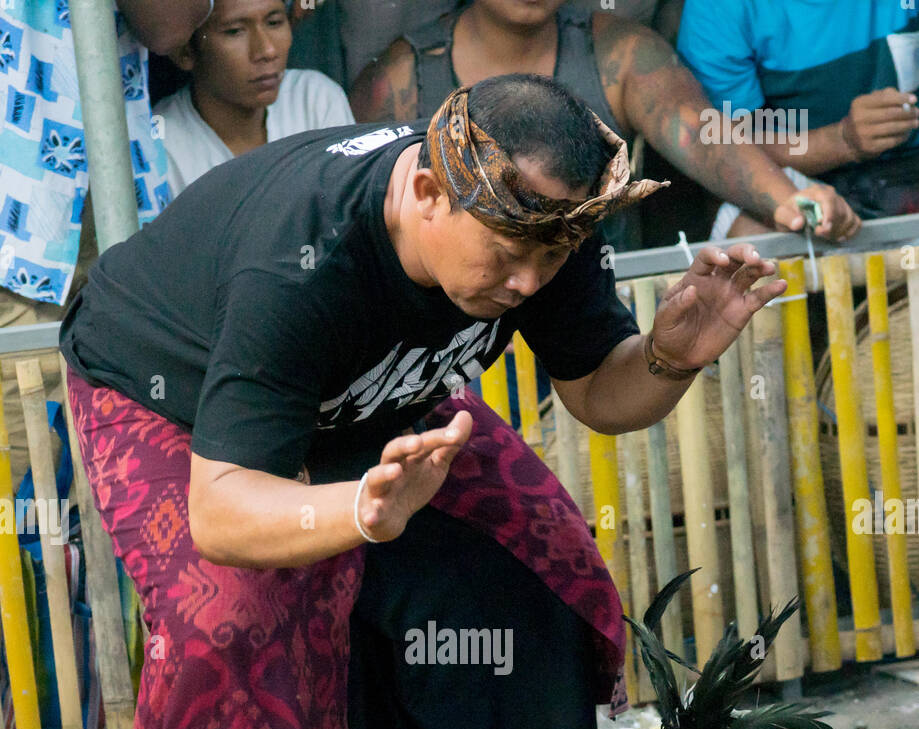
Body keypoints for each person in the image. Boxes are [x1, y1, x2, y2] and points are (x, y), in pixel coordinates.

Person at [61, 75, 785, 729]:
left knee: (544, 579)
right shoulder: (301, 262)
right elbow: (224, 511)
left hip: (377, 401)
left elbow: (597, 393)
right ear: (428, 194)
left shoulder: (543, 215)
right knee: (220, 622)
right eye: (510, 259)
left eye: (551, 260)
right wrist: (354, 511)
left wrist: (665, 355)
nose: (529, 285)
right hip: (175, 393)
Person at [349, 0, 860, 248]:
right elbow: (365, 222)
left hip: (609, 333)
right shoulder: (400, 80)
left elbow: (702, 133)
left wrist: (785, 199)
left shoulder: (620, 51)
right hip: (460, 352)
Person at [0, 1, 205, 489]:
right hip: (19, 235)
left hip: (109, 209)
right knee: (24, 501)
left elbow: (170, 24)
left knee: (120, 486)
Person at [678, 0, 919, 236]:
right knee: (750, 236)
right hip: (799, 180)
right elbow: (724, 148)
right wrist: (842, 141)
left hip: (909, 166)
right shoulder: (719, 9)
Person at [155, 0, 353, 195]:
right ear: (185, 52)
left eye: (274, 22)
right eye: (235, 31)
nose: (267, 50)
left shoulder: (315, 100)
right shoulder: (160, 144)